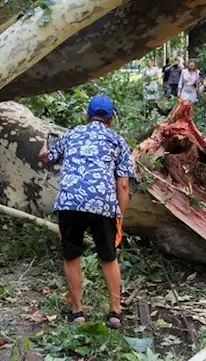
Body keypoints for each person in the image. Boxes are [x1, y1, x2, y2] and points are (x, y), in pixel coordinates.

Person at [39, 94, 137, 329]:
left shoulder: (72, 134)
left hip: (70, 203)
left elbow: (46, 158)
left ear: (87, 115)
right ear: (111, 119)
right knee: (108, 257)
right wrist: (119, 217)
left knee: (72, 256)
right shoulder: (117, 141)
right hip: (102, 204)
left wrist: (43, 149)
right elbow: (123, 185)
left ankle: (78, 312)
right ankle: (115, 312)